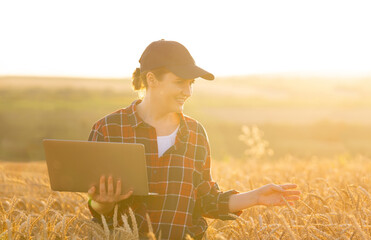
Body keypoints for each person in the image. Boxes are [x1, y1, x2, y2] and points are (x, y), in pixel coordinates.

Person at [86, 39, 301, 239]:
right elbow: (97, 207)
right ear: (151, 79)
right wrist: (103, 203)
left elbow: (206, 201)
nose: (187, 91)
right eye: (180, 82)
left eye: (191, 83)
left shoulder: (195, 133)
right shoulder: (108, 129)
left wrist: (255, 197)